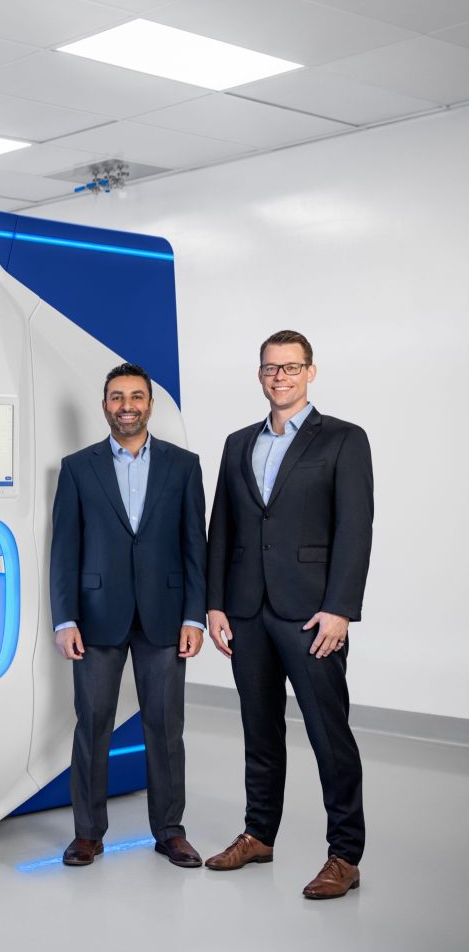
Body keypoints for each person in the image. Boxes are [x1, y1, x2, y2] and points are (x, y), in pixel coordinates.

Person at [204, 329, 373, 900]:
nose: (280, 377)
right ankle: (258, 834)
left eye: (291, 367)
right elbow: (223, 526)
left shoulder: (344, 439)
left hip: (312, 615)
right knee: (259, 729)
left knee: (329, 735)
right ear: (260, 374)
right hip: (246, 610)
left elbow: (355, 529)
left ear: (310, 372)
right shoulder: (237, 443)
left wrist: (340, 609)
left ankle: (344, 855)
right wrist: (215, 602)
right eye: (271, 368)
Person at [51, 363, 206, 868]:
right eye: (117, 397)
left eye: (136, 396)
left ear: (149, 405)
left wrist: (194, 617)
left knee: (165, 728)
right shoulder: (78, 467)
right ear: (105, 405)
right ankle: (87, 834)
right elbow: (64, 550)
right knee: (92, 725)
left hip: (166, 616)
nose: (127, 406)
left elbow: (195, 547)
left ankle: (170, 831)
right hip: (96, 618)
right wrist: (65, 619)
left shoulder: (184, 466)